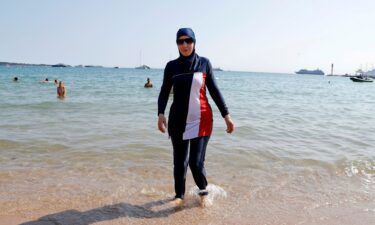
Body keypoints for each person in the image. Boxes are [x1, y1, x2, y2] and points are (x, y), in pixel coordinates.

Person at [157, 28, 234, 208]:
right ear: (177, 44)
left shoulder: (204, 63)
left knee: (195, 162)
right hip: (178, 120)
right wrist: (160, 113)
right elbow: (163, 92)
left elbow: (214, 91)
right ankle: (179, 196)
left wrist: (226, 116)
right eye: (180, 41)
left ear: (194, 42)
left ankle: (204, 191)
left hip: (202, 119)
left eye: (188, 41)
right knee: (179, 161)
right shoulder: (171, 66)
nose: (184, 45)